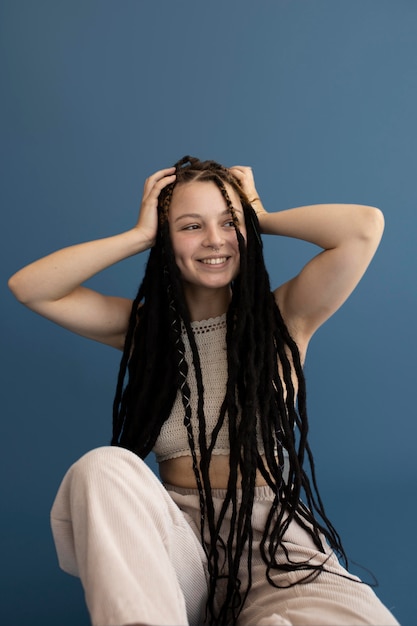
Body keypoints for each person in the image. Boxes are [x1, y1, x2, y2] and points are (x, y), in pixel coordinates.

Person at [8, 157, 399, 626]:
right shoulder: (146, 330)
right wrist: (137, 236)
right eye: (191, 226)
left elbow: (363, 227)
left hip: (273, 542)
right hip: (177, 545)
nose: (215, 239)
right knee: (103, 467)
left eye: (229, 222)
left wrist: (260, 214)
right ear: (165, 238)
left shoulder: (283, 317)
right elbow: (31, 288)